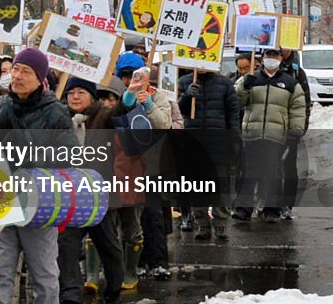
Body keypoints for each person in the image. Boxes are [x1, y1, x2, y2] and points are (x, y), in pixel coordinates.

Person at [0, 48, 75, 304]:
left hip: (41, 202)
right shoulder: (0, 109)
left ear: (40, 78)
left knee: (43, 269)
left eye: (25, 71)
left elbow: (69, 159)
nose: (16, 76)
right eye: (14, 69)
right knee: (1, 268)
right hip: (5, 199)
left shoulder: (57, 113)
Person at [57, 77, 124, 304]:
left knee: (107, 243)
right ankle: (70, 295)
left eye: (80, 93)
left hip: (99, 195)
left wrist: (131, 97)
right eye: (71, 93)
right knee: (67, 246)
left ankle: (115, 285)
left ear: (92, 96)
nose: (75, 97)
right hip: (71, 198)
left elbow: (121, 116)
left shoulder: (104, 116)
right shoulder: (62, 119)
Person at [110, 52, 172, 287]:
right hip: (124, 165)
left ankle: (157, 261)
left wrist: (147, 104)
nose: (129, 80)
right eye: (124, 75)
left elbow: (164, 125)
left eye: (134, 75)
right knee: (128, 217)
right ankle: (131, 263)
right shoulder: (118, 97)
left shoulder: (159, 98)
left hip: (151, 164)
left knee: (152, 214)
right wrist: (128, 99)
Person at [233, 48, 307, 223]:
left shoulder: (290, 83)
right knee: (248, 172)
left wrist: (294, 132)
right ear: (262, 58)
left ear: (281, 59)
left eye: (275, 56)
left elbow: (297, 109)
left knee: (273, 173)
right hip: (252, 133)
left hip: (276, 136)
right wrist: (244, 87)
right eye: (268, 56)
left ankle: (271, 210)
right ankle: (244, 209)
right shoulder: (250, 79)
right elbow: (236, 101)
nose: (271, 59)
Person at [176, 68, 241, 240]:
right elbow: (176, 110)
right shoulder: (184, 82)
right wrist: (186, 96)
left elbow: (233, 115)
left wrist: (234, 139)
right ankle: (202, 224)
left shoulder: (225, 84)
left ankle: (220, 224)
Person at [278, 48, 311, 219]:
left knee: (289, 168)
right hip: (267, 128)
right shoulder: (262, 71)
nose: (283, 50)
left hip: (290, 128)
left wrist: (299, 130)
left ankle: (287, 205)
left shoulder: (297, 72)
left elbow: (305, 103)